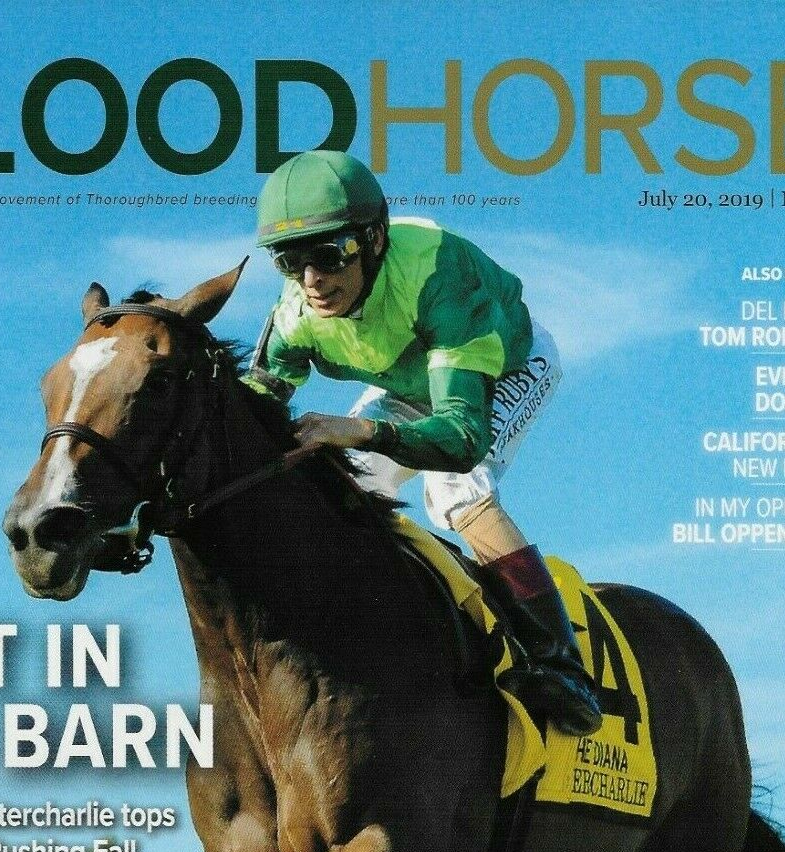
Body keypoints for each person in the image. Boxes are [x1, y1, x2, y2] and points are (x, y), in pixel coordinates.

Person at [244, 149, 601, 736]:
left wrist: (365, 429)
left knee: (454, 493)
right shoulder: (294, 315)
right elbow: (251, 412)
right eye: (290, 261)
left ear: (374, 239)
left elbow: (460, 436)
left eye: (329, 255)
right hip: (412, 382)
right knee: (338, 482)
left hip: (503, 366)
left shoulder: (439, 275)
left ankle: (561, 662)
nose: (312, 281)